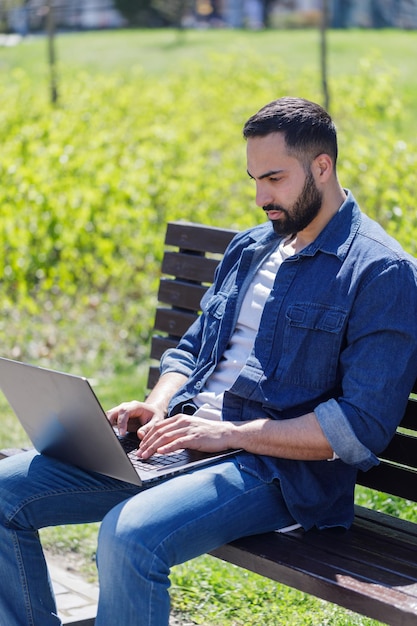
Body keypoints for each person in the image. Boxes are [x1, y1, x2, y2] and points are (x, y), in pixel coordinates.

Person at [1, 96, 417, 626]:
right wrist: (158, 404)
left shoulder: (381, 271)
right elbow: (193, 349)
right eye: (253, 180)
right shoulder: (251, 248)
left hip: (279, 472)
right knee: (4, 492)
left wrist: (229, 434)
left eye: (274, 178)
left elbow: (358, 430)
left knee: (130, 536)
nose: (262, 197)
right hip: (185, 440)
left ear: (322, 166)